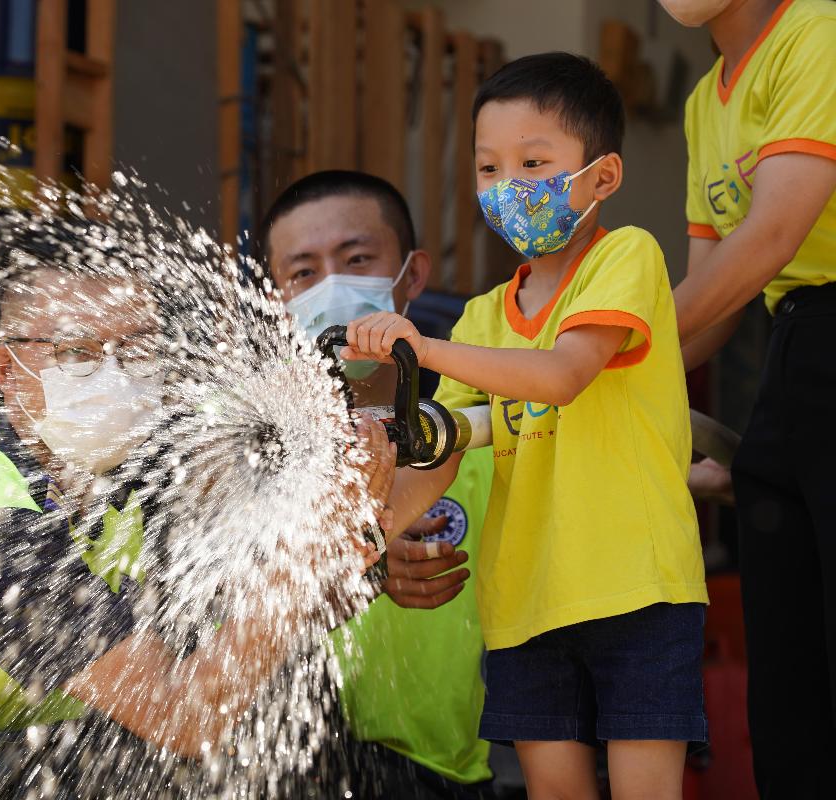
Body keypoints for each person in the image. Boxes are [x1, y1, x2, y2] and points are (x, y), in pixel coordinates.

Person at [0, 235, 393, 798]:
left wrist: (368, 490)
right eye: (77, 353)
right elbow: (185, 717)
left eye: (137, 349)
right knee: (137, 745)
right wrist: (311, 557)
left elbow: (283, 579)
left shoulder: (123, 466)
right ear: (7, 371)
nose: (113, 375)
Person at [343, 53, 709, 799]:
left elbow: (564, 374)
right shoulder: (482, 317)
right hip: (523, 605)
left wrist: (421, 348)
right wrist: (362, 536)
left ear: (602, 178)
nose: (508, 186)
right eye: (489, 168)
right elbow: (443, 447)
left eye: (533, 163)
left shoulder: (626, 257)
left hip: (638, 589)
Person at [261, 170, 495, 799]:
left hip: (439, 773)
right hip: (285, 767)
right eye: (303, 272)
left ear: (412, 275)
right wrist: (366, 561)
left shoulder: (475, 432)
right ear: (276, 301)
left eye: (357, 259)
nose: (332, 287)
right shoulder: (247, 443)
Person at [657, 1, 836, 795]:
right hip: (790, 349)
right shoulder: (705, 100)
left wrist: (598, 346)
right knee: (790, 691)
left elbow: (771, 236)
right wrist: (595, 386)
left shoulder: (818, 32)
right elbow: (713, 300)